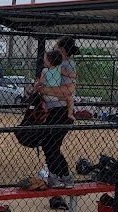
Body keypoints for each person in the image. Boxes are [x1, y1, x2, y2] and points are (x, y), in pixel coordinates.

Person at [33, 36, 79, 190]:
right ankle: (60, 176)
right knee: (51, 144)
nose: (53, 49)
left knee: (50, 144)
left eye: (56, 47)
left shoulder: (66, 64)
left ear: (62, 50)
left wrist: (44, 89)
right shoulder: (57, 66)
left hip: (60, 110)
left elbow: (67, 91)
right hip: (54, 109)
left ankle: (60, 175)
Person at [41, 50, 76, 122]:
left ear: (49, 61)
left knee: (42, 98)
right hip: (56, 95)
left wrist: (37, 84)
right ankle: (70, 114)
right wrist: (75, 75)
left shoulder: (45, 70)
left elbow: (41, 82)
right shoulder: (59, 69)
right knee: (70, 98)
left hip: (47, 95)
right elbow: (69, 74)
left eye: (45, 59)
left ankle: (45, 112)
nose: (43, 60)